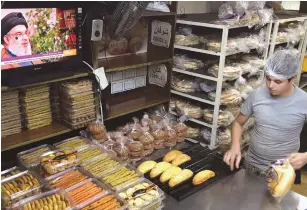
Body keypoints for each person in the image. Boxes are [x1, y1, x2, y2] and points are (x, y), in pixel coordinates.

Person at [223, 50, 307, 177]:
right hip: (251, 164)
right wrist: (235, 146)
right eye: (268, 79)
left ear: (292, 79)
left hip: (282, 170)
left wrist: (305, 157)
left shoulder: (304, 101)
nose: (271, 85)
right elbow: (238, 123)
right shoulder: (257, 95)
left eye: (278, 81)